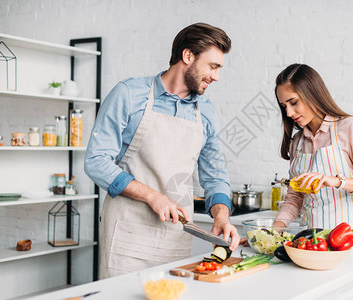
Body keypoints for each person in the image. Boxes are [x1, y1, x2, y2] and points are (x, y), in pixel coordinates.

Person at [84, 23, 240, 279]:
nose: (216, 76)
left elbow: (215, 176)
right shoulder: (129, 94)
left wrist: (222, 215)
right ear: (188, 56)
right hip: (126, 239)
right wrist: (152, 196)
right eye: (213, 66)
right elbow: (96, 162)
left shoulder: (207, 112)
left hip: (174, 241)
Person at [274, 64, 353, 298]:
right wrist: (273, 231)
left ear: (312, 93)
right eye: (283, 105)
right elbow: (295, 197)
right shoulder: (297, 141)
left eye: (293, 102)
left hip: (349, 247)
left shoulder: (348, 127)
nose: (288, 112)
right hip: (310, 248)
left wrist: (336, 181)